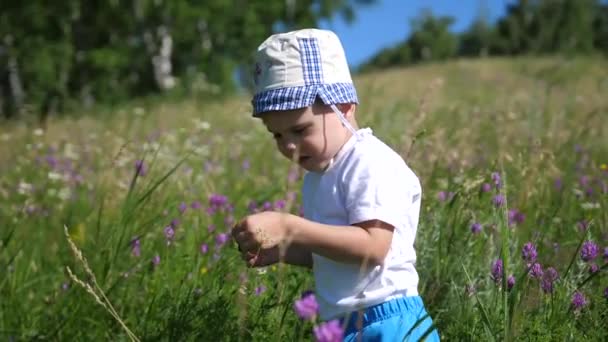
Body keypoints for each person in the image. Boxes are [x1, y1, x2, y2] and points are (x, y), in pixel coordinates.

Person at [231, 28, 439, 341]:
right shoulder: (318, 177)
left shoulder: (368, 161)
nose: (289, 146)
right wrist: (286, 252)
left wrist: (290, 227)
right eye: (278, 135)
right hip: (343, 326)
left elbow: (372, 247)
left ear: (344, 107)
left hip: (388, 322)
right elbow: (333, 252)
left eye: (300, 130)